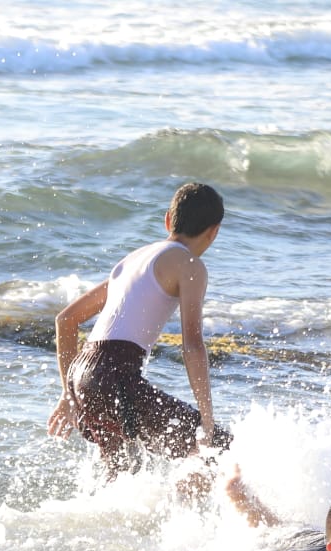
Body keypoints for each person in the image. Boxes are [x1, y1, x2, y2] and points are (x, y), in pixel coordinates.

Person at [46, 182, 233, 479]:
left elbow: (65, 320)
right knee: (219, 447)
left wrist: (69, 394)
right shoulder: (190, 265)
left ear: (168, 220)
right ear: (214, 231)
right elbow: (193, 345)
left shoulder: (133, 259)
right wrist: (207, 421)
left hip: (83, 375)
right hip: (115, 375)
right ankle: (190, 521)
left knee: (121, 476)